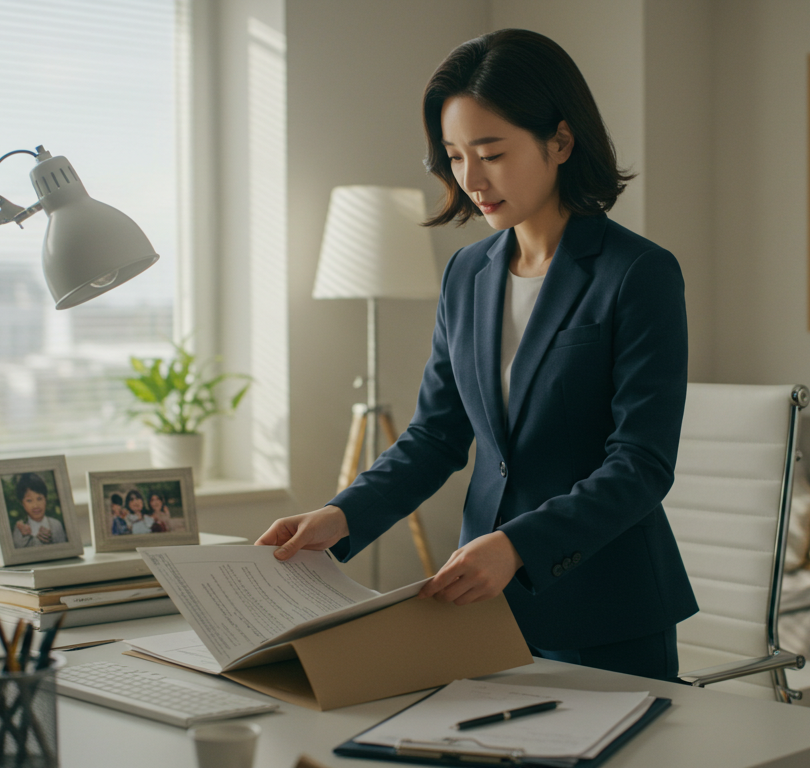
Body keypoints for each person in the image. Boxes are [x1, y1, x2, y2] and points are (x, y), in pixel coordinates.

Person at [257, 29, 697, 681]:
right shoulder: (467, 273)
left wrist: (519, 545)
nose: (471, 179)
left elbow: (641, 465)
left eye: (491, 153)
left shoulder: (638, 273)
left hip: (605, 613)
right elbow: (436, 437)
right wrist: (341, 516)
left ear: (561, 142)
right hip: (483, 610)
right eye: (455, 157)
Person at [11, 473, 67, 547]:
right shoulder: (20, 529)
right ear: (22, 503)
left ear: (45, 499)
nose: (36, 506)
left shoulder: (56, 525)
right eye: (29, 500)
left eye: (39, 499)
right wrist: (26, 535)